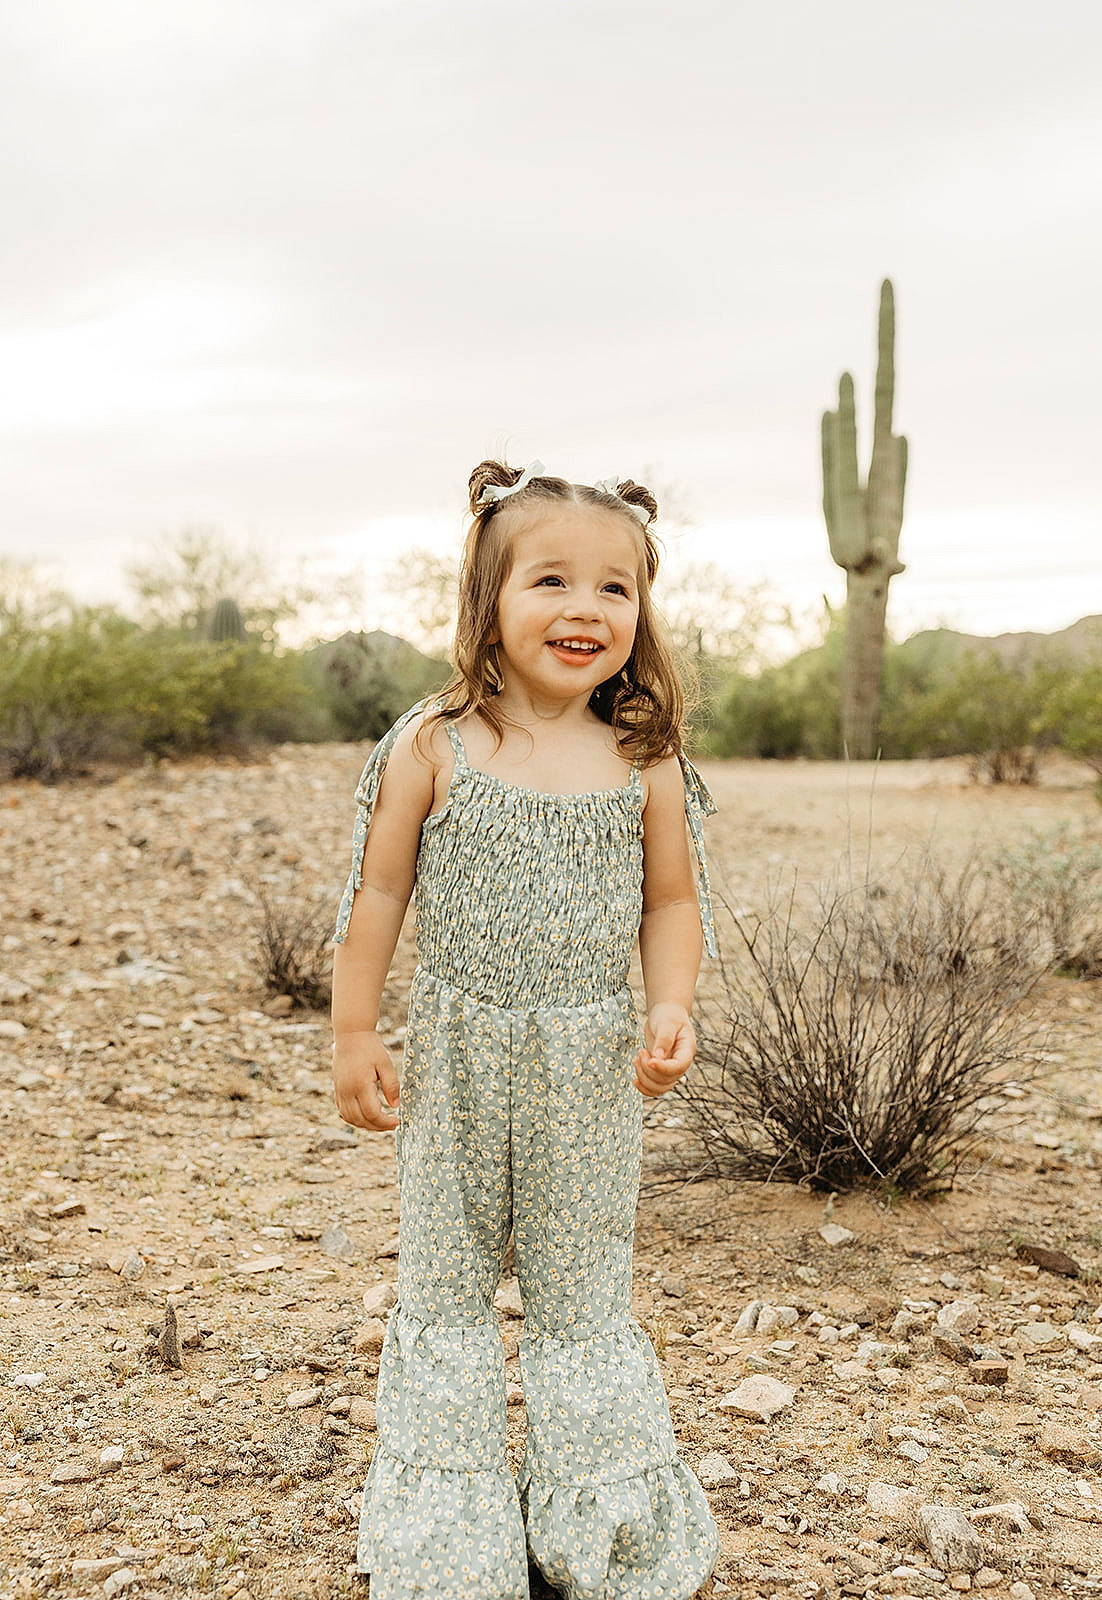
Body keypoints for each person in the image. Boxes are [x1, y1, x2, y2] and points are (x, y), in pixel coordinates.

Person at [331, 460, 720, 1600]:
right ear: (487, 600)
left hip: (590, 1066)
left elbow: (672, 902)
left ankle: (599, 1528)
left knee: (581, 1288)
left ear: (639, 614)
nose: (585, 610)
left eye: (614, 588)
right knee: (445, 1287)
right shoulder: (435, 744)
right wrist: (356, 1032)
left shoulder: (642, 758)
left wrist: (669, 1005)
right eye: (550, 579)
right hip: (456, 1056)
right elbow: (377, 898)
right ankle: (449, 1541)